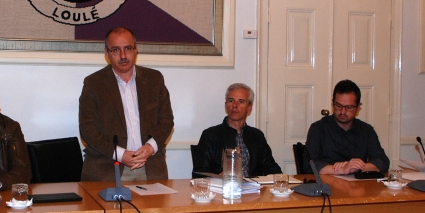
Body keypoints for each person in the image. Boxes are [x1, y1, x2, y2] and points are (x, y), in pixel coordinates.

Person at [79, 27, 174, 181]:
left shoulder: (154, 79)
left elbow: (166, 121)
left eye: (128, 48)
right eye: (116, 50)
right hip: (107, 170)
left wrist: (151, 147)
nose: (123, 55)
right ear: (107, 53)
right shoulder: (93, 84)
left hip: (150, 168)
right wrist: (121, 155)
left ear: (136, 49)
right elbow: (88, 130)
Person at [192, 83, 282, 178]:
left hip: (253, 186)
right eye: (231, 101)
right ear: (226, 105)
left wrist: (281, 179)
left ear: (249, 108)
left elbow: (271, 167)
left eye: (241, 101)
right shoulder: (210, 135)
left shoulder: (257, 136)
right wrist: (218, 177)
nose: (235, 105)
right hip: (223, 186)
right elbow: (199, 172)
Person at [305, 79, 389, 175]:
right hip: (327, 182)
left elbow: (383, 161)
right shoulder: (318, 128)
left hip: (358, 183)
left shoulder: (366, 130)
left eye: (349, 107)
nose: (343, 111)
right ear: (333, 103)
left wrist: (355, 167)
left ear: (358, 107)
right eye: (338, 106)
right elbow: (309, 165)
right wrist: (342, 169)